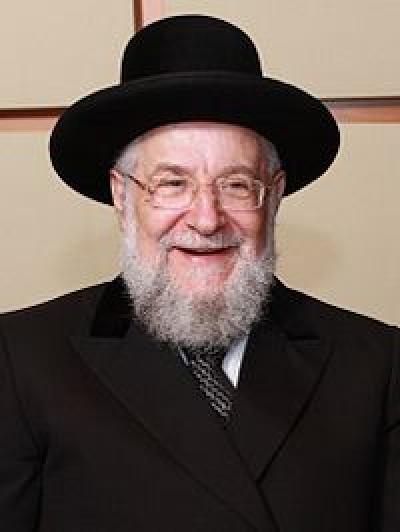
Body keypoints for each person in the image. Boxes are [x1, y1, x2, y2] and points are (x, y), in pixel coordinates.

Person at [0, 14, 398, 532]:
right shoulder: (20, 361)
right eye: (172, 183)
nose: (207, 219)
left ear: (274, 195)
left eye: (236, 185)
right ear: (121, 195)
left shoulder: (378, 366)